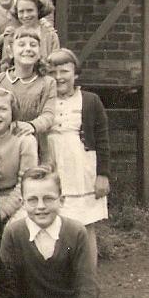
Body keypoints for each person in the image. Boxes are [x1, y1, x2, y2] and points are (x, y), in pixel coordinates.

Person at [0, 166, 97, 298]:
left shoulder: (76, 232)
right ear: (23, 202)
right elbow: (7, 286)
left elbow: (86, 285)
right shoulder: (13, 233)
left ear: (61, 200)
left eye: (48, 199)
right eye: (32, 200)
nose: (40, 206)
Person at [46, 48, 110, 267]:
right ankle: (61, 282)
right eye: (53, 72)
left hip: (81, 166)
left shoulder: (90, 100)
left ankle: (87, 283)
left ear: (75, 74)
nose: (59, 77)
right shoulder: (44, 100)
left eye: (64, 71)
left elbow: (102, 140)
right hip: (52, 164)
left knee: (85, 226)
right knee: (54, 223)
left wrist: (103, 174)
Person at [0, 28, 57, 160]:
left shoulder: (47, 83)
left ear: (39, 51)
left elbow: (49, 114)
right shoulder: (0, 80)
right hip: (5, 143)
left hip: (36, 144)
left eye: (33, 45)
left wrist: (32, 126)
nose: (28, 49)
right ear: (10, 51)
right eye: (22, 44)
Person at [0, 87, 38, 223]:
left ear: (13, 113)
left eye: (3, 109)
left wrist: (5, 209)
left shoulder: (25, 140)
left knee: (16, 227)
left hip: (19, 198)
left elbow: (26, 182)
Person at [1, 0, 58, 66]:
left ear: (38, 10)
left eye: (30, 10)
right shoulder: (11, 35)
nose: (26, 15)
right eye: (21, 11)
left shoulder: (50, 35)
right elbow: (5, 64)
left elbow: (56, 63)